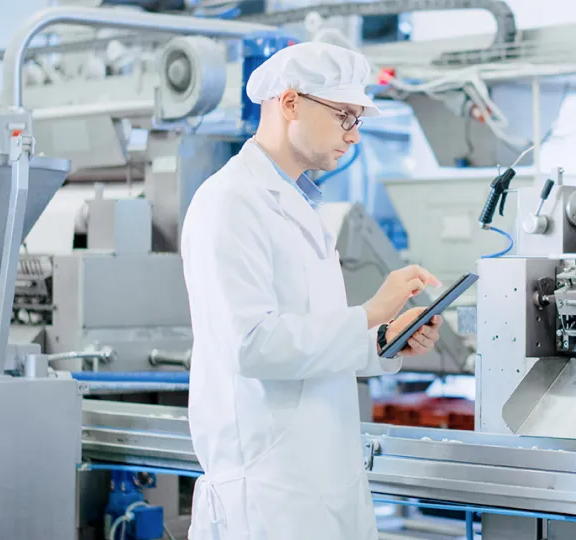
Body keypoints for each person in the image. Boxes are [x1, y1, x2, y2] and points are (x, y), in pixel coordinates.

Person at [180, 41, 444, 540]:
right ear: (290, 102)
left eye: (358, 118)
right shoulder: (230, 202)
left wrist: (383, 338)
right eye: (345, 115)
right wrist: (369, 311)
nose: (355, 135)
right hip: (268, 492)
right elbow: (253, 346)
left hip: (322, 478)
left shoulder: (297, 204)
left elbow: (309, 341)